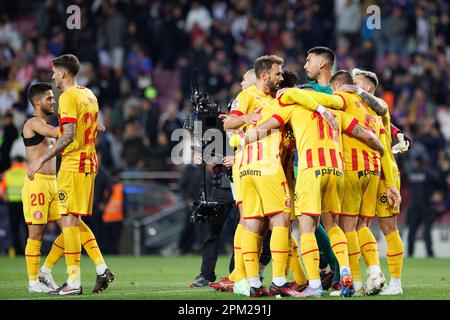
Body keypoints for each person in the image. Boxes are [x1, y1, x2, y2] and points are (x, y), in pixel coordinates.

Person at [241, 73, 386, 298]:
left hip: (311, 170)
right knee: (332, 225)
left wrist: (241, 140)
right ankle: (345, 271)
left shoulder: (293, 109)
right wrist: (383, 151)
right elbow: (367, 136)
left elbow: (266, 126)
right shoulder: (338, 114)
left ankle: (316, 285)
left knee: (307, 227)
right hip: (337, 171)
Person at [27, 54, 114, 295]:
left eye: (54, 71)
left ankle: (73, 282)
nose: (53, 75)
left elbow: (67, 136)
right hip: (89, 164)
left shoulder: (67, 97)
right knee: (73, 220)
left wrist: (40, 160)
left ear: (63, 73)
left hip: (74, 165)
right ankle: (96, 269)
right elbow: (97, 126)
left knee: (68, 222)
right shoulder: (89, 94)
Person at [339, 68, 410, 295]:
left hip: (385, 174)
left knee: (389, 228)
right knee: (361, 225)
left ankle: (396, 283)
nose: (351, 84)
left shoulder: (378, 106)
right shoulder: (361, 111)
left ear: (367, 87)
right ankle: (369, 277)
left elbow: (384, 115)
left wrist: (399, 133)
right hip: (368, 172)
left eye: (356, 82)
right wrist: (399, 132)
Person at [0, 155, 27, 256]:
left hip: (12, 204)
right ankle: (29, 251)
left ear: (14, 161)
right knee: (28, 229)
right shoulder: (26, 172)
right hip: (25, 204)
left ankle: (18, 251)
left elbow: (1, 192)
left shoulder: (7, 173)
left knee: (14, 228)